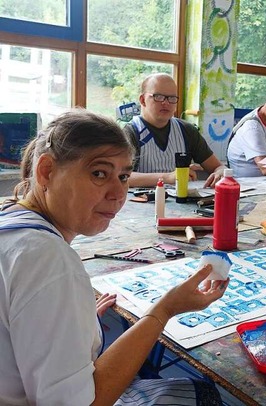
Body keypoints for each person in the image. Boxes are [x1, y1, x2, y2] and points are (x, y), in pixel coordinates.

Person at [0, 108, 229, 405]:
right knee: (202, 395)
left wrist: (71, 321)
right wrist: (163, 311)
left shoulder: (11, 217)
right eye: (99, 173)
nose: (118, 194)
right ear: (46, 171)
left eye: (123, 176)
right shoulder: (48, 260)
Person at [124, 73, 226, 187]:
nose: (166, 103)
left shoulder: (187, 131)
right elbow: (122, 176)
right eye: (158, 96)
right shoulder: (130, 132)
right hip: (142, 201)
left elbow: (217, 166)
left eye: (172, 98)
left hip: (181, 202)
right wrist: (168, 177)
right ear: (143, 100)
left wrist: (221, 172)